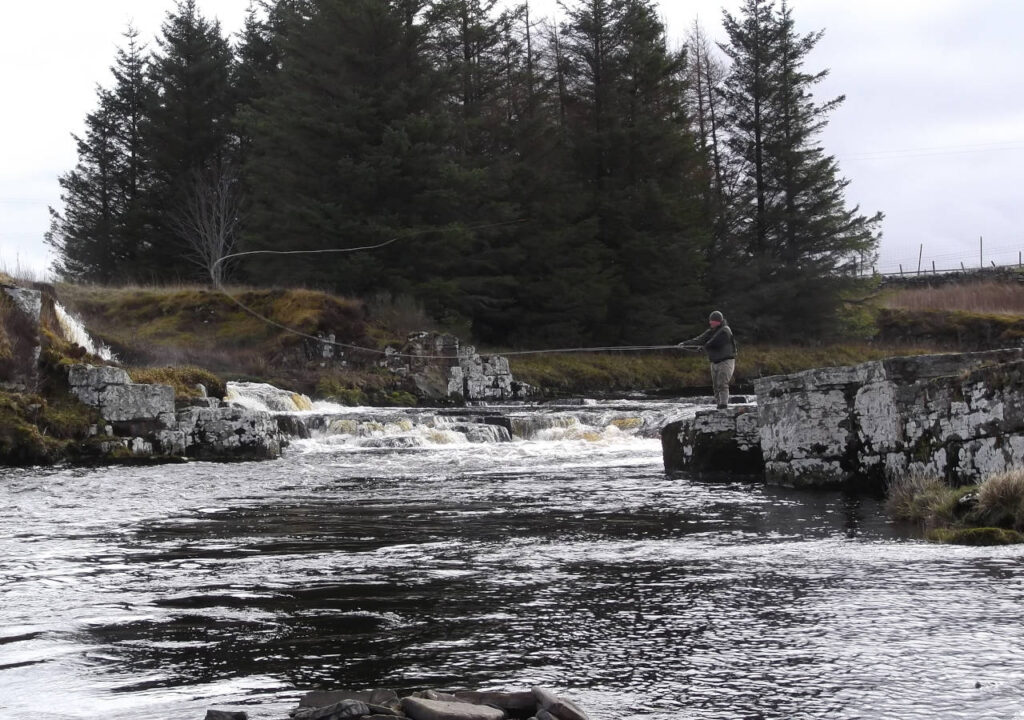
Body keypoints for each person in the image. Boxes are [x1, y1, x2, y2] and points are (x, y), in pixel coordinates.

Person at [678, 310, 737, 409]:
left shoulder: (725, 330)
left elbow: (714, 342)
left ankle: (723, 405)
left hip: (726, 362)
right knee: (715, 386)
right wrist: (684, 344)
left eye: (712, 321)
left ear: (718, 321)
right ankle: (719, 405)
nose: (710, 323)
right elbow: (700, 339)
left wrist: (703, 347)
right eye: (710, 321)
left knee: (722, 384)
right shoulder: (711, 330)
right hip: (714, 362)